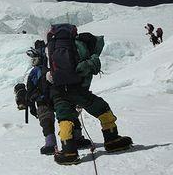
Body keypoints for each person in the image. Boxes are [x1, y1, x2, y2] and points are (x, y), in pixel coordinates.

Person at [45, 23, 133, 165]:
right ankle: (112, 140)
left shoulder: (52, 48)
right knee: (102, 109)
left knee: (65, 118)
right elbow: (83, 68)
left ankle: (69, 152)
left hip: (58, 90)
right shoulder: (77, 45)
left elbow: (50, 71)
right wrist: (92, 62)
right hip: (77, 90)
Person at [14, 40, 91, 155]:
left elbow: (30, 91)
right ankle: (76, 138)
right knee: (68, 115)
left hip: (43, 100)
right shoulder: (55, 67)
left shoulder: (34, 73)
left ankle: (50, 143)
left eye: (34, 59)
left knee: (46, 120)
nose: (33, 62)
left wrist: (32, 106)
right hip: (59, 97)